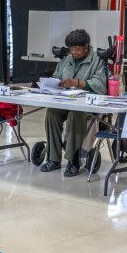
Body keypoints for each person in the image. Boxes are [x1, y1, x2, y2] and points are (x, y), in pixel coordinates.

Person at [40, 29, 109, 177]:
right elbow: (57, 76)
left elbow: (100, 85)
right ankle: (53, 159)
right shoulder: (66, 59)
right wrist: (54, 84)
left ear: (86, 46)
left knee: (75, 115)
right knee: (51, 113)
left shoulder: (97, 60)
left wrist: (79, 83)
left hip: (86, 104)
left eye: (77, 48)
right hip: (66, 101)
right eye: (71, 49)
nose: (74, 52)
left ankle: (73, 160)